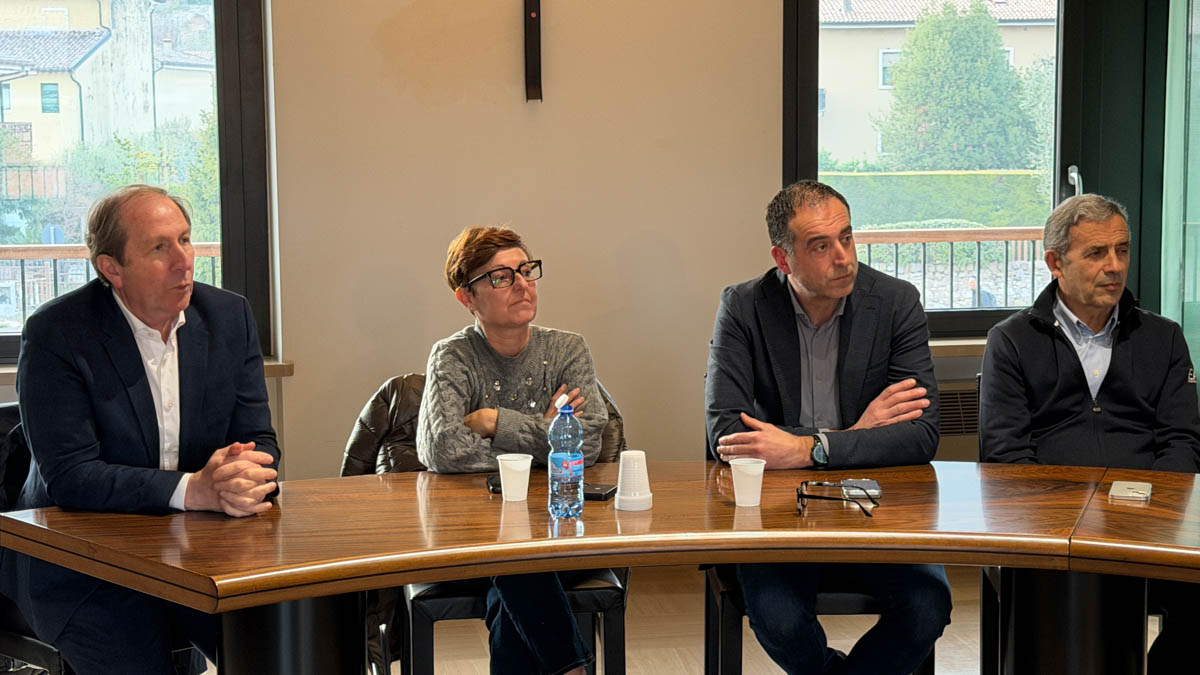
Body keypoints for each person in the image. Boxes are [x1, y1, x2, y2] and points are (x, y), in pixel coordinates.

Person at [0, 185, 280, 674]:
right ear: (112, 268)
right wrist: (194, 489)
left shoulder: (228, 316)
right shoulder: (57, 332)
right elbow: (71, 477)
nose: (184, 261)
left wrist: (245, 475)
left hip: (200, 553)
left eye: (185, 240)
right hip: (84, 564)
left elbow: (261, 440)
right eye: (159, 248)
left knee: (284, 646)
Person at [705, 179, 951, 674]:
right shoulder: (744, 306)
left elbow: (922, 433)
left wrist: (808, 448)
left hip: (874, 506)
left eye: (847, 237)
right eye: (821, 246)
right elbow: (726, 433)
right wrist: (860, 432)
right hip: (780, 511)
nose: (843, 258)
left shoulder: (895, 301)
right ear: (783, 258)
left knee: (927, 606)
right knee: (780, 619)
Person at [980, 193, 1200, 672]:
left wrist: (1147, 517)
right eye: (1097, 253)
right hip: (1049, 534)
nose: (1115, 266)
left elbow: (1182, 442)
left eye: (1122, 250)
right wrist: (1074, 522)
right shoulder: (1011, 340)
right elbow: (1006, 455)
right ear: (1055, 262)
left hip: (1151, 528)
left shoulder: (1163, 337)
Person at [416, 225, 607, 675]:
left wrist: (492, 421)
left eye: (526, 270)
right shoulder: (452, 356)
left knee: (514, 576)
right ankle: (573, 668)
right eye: (501, 277)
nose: (522, 284)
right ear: (467, 297)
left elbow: (588, 442)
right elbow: (442, 449)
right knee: (514, 560)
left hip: (560, 527)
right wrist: (547, 435)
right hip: (471, 535)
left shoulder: (567, 348)